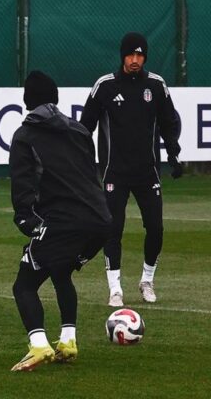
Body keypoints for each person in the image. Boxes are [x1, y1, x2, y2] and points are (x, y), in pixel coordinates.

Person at [8, 71, 112, 371]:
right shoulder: (79, 130)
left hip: (63, 221)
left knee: (24, 285)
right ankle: (68, 341)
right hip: (100, 221)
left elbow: (22, 186)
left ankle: (39, 345)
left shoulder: (25, 136)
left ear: (27, 100)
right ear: (55, 98)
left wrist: (26, 220)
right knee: (61, 272)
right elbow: (89, 175)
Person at [80, 32, 182, 306]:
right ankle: (115, 288)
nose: (135, 60)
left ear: (144, 57)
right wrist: (82, 161)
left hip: (148, 172)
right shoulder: (105, 86)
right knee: (113, 229)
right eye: (130, 55)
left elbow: (169, 122)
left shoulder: (156, 85)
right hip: (115, 173)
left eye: (140, 55)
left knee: (156, 228)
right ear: (122, 56)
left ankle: (147, 280)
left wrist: (173, 154)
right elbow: (85, 126)